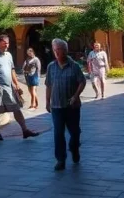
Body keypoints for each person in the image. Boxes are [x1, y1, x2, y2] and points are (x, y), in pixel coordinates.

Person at [0, 34, 39, 141]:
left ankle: (25, 130)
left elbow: (12, 70)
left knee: (16, 108)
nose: (7, 46)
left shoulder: (8, 55)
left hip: (9, 87)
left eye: (8, 44)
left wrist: (16, 84)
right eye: (5, 44)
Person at [44, 38, 86, 171]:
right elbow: (49, 85)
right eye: (54, 50)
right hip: (57, 106)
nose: (56, 52)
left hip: (72, 107)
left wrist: (76, 96)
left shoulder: (74, 66)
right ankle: (60, 159)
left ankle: (74, 149)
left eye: (58, 50)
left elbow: (82, 81)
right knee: (58, 133)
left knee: (74, 132)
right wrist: (47, 101)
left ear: (65, 50)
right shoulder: (51, 66)